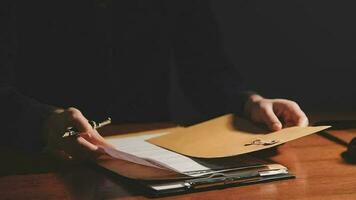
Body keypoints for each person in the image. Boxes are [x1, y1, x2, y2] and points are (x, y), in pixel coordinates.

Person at [0, 0, 308, 161]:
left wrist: (248, 102)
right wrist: (42, 122)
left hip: (150, 158)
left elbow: (205, 69)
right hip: (35, 159)